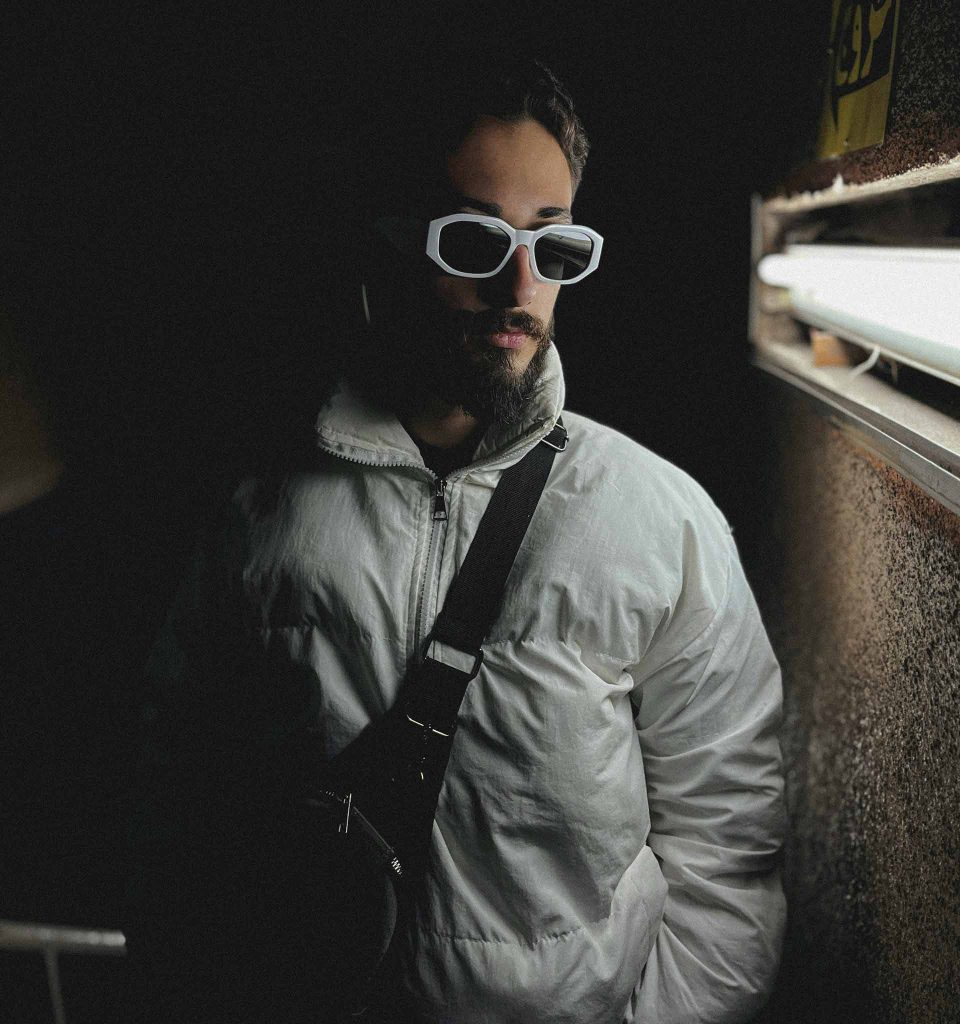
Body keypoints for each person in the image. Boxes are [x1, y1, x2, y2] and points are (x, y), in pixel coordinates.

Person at [135, 59, 785, 1024]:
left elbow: (731, 850)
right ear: (389, 243)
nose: (520, 287)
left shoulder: (662, 522)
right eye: (475, 241)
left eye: (553, 248)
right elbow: (181, 789)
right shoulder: (257, 512)